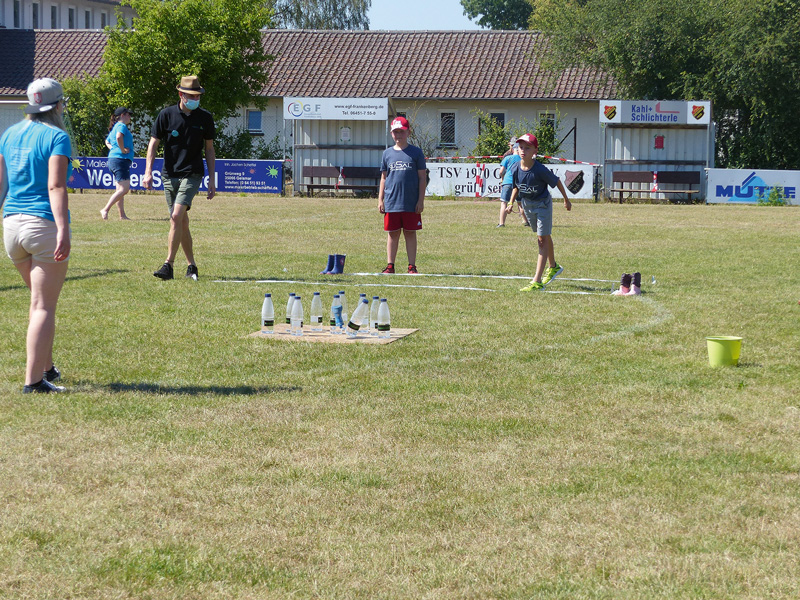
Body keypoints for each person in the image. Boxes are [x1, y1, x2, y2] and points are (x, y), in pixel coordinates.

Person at [0, 78, 72, 393]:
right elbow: (56, 186)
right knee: (43, 305)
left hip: (12, 227)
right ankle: (33, 382)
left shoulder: (8, 133)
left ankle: (47, 368)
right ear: (57, 105)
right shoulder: (57, 137)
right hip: (41, 225)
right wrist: (63, 229)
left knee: (36, 300)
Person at [143, 75, 216, 280]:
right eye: (191, 95)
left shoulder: (205, 118)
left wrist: (211, 179)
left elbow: (209, 149)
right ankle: (192, 266)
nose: (196, 99)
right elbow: (153, 144)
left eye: (198, 95)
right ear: (181, 95)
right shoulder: (166, 115)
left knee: (175, 216)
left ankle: (168, 265)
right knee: (181, 221)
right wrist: (148, 172)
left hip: (192, 174)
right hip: (169, 175)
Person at [508, 133, 572, 292]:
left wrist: (566, 199)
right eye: (520, 147)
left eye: (527, 148)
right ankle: (553, 266)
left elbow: (556, 181)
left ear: (535, 151)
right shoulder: (515, 167)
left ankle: (537, 282)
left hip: (542, 204)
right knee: (544, 236)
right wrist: (510, 203)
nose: (523, 151)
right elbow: (516, 186)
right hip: (528, 205)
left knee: (541, 240)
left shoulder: (539, 169)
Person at [378, 116, 426, 274]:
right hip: (392, 201)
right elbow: (384, 178)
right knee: (393, 234)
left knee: (410, 233)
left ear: (408, 132)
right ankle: (390, 265)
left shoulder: (416, 153)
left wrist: (420, 200)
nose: (399, 135)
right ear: (391, 133)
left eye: (402, 132)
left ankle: (412, 266)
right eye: (395, 132)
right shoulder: (387, 154)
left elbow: (422, 178)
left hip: (411, 202)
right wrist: (381, 199)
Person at [101, 107, 134, 220]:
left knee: (119, 189)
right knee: (124, 189)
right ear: (123, 115)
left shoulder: (115, 126)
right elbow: (119, 137)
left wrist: (114, 149)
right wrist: (122, 150)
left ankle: (122, 216)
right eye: (128, 114)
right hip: (120, 160)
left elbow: (107, 141)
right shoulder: (121, 126)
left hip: (114, 159)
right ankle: (105, 209)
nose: (130, 117)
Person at [497, 138, 529, 228]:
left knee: (504, 203)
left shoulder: (507, 158)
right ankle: (526, 221)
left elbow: (501, 171)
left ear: (513, 149)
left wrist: (502, 179)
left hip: (507, 182)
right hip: (518, 183)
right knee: (520, 203)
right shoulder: (522, 159)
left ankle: (501, 223)